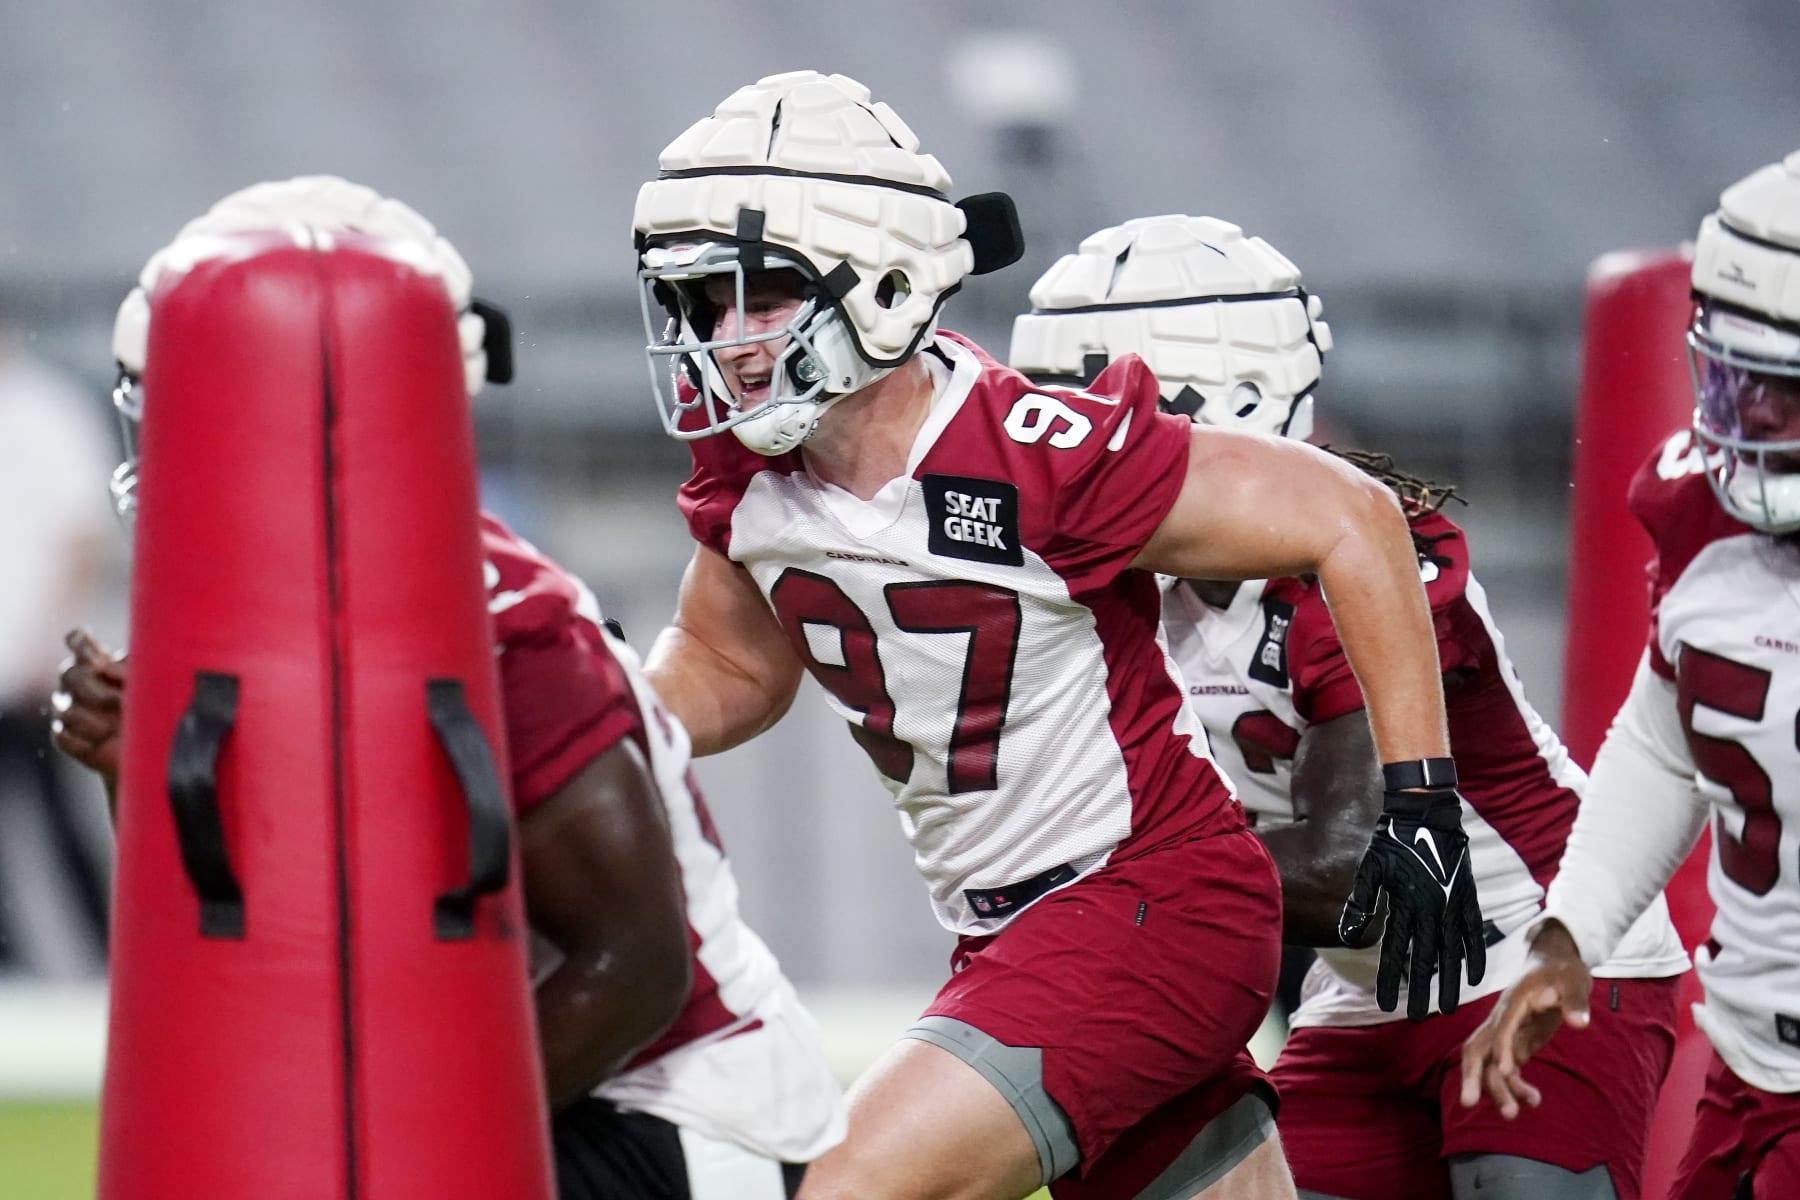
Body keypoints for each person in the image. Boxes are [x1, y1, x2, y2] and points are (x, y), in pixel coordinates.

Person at [633, 70, 1484, 1200]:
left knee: (842, 1190)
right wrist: (617, 722)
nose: (727, 342)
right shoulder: (752, 472)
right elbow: (731, 662)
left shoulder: (1035, 448)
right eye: (701, 305)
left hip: (1144, 901)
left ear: (882, 282)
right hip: (1020, 927)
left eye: (764, 294)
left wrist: (1421, 802)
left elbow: (1353, 514)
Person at [50, 176, 844, 1200]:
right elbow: (238, 921)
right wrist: (134, 766)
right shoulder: (254, 605)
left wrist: (399, 1141)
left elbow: (632, 968)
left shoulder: (500, 618)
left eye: (206, 397)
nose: (175, 443)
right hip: (514, 1085)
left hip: (680, 1114)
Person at [1010, 214, 1689, 1200]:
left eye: (1104, 419)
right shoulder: (1118, 589)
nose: (1071, 455)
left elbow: (1347, 865)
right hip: (1368, 989)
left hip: (1533, 951)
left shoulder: (1370, 562)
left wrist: (1089, 888)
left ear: (1233, 406)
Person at [1461, 151, 1800, 1200]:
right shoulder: (1703, 518)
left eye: (1780, 393)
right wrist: (1573, 930)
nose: (1744, 423)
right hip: (1753, 1077)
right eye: (1729, 378)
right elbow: (1666, 738)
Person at [0, 313, 116, 973]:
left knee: (57, 826)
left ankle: (103, 960)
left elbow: (81, 540)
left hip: (33, 670)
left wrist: (46, 643)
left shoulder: (46, 415)